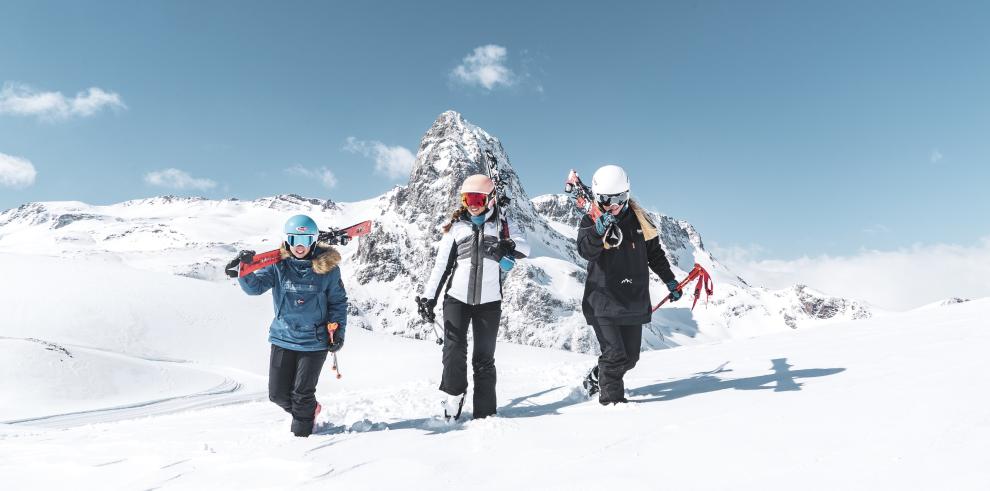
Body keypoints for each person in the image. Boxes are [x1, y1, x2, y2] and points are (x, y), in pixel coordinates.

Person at [416, 174, 530, 420]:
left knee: (484, 358)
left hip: (489, 303)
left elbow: (525, 248)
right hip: (456, 299)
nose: (473, 203)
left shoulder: (501, 225)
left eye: (478, 198)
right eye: (468, 198)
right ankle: (455, 396)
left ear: (489, 200)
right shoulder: (456, 229)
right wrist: (429, 298)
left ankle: (485, 414)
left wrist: (507, 247)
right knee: (453, 349)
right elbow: (441, 267)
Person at [231, 214, 347, 437]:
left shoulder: (328, 270)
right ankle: (310, 410)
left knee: (302, 394)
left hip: (315, 341)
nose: (299, 246)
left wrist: (338, 331)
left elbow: (338, 302)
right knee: (277, 395)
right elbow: (254, 288)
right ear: (287, 240)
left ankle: (302, 441)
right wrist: (244, 271)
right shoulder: (278, 266)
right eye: (294, 240)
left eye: (304, 241)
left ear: (313, 240)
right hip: (283, 337)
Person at [577, 165, 682, 405]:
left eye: (619, 198)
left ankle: (597, 377)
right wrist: (597, 231)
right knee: (614, 355)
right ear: (597, 197)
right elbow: (585, 251)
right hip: (602, 301)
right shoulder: (590, 220)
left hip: (632, 300)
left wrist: (669, 280)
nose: (612, 205)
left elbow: (654, 254)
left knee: (630, 358)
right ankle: (612, 405)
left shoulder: (641, 221)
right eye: (605, 199)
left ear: (627, 194)